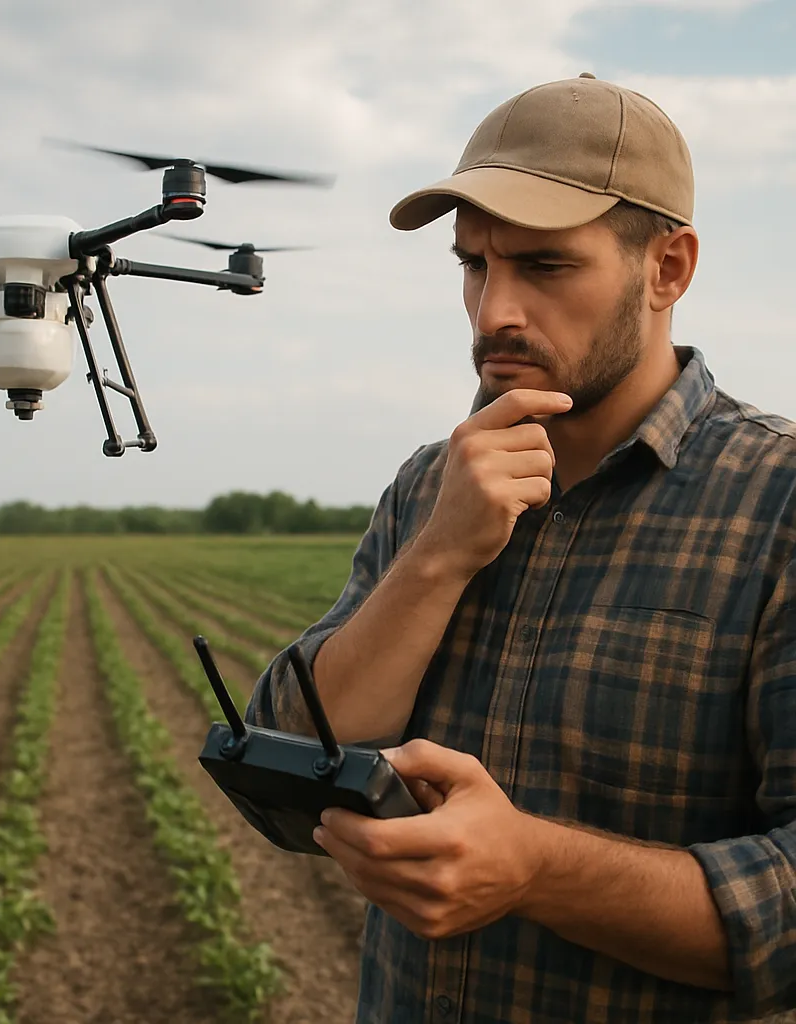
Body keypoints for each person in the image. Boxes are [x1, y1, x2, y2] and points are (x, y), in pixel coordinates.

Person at [244, 72, 796, 1023]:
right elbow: (283, 776)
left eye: (544, 267)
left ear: (667, 269)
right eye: (472, 264)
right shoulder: (430, 485)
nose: (494, 309)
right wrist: (440, 554)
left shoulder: (776, 504)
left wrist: (537, 870)